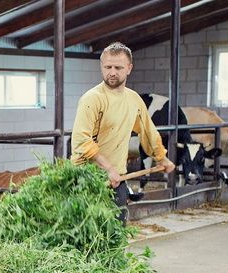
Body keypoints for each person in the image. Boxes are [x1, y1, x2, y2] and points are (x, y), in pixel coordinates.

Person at [70, 42, 175, 224]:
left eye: (118, 67)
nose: (112, 72)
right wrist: (108, 169)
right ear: (101, 67)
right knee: (86, 239)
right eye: (107, 67)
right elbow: (81, 141)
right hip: (85, 179)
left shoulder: (133, 99)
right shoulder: (92, 99)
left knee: (116, 236)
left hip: (118, 179)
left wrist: (161, 157)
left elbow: (148, 131)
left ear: (129, 68)